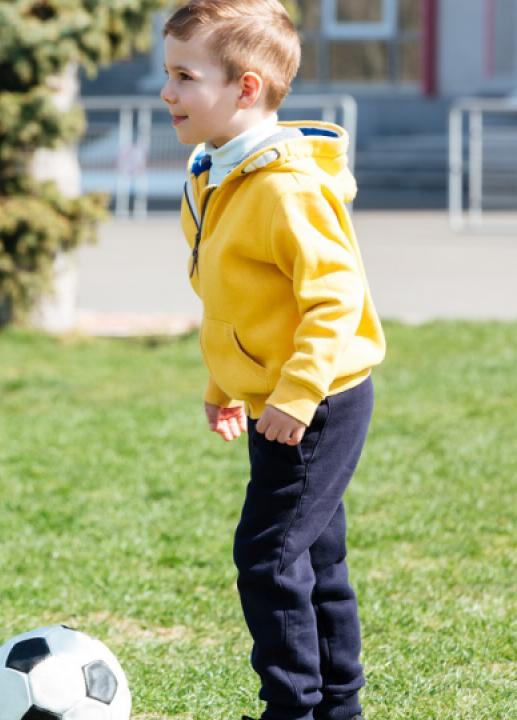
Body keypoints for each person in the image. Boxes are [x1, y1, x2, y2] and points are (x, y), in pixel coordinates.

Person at [160, 2, 388, 720]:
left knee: (269, 557)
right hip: (280, 397)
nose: (167, 93)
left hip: (315, 402)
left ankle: (295, 708)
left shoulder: (284, 186)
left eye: (184, 76)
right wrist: (225, 381)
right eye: (167, 74)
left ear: (246, 88)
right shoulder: (218, 171)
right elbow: (240, 301)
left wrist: (293, 395)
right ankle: (336, 708)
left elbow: (335, 297)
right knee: (314, 560)